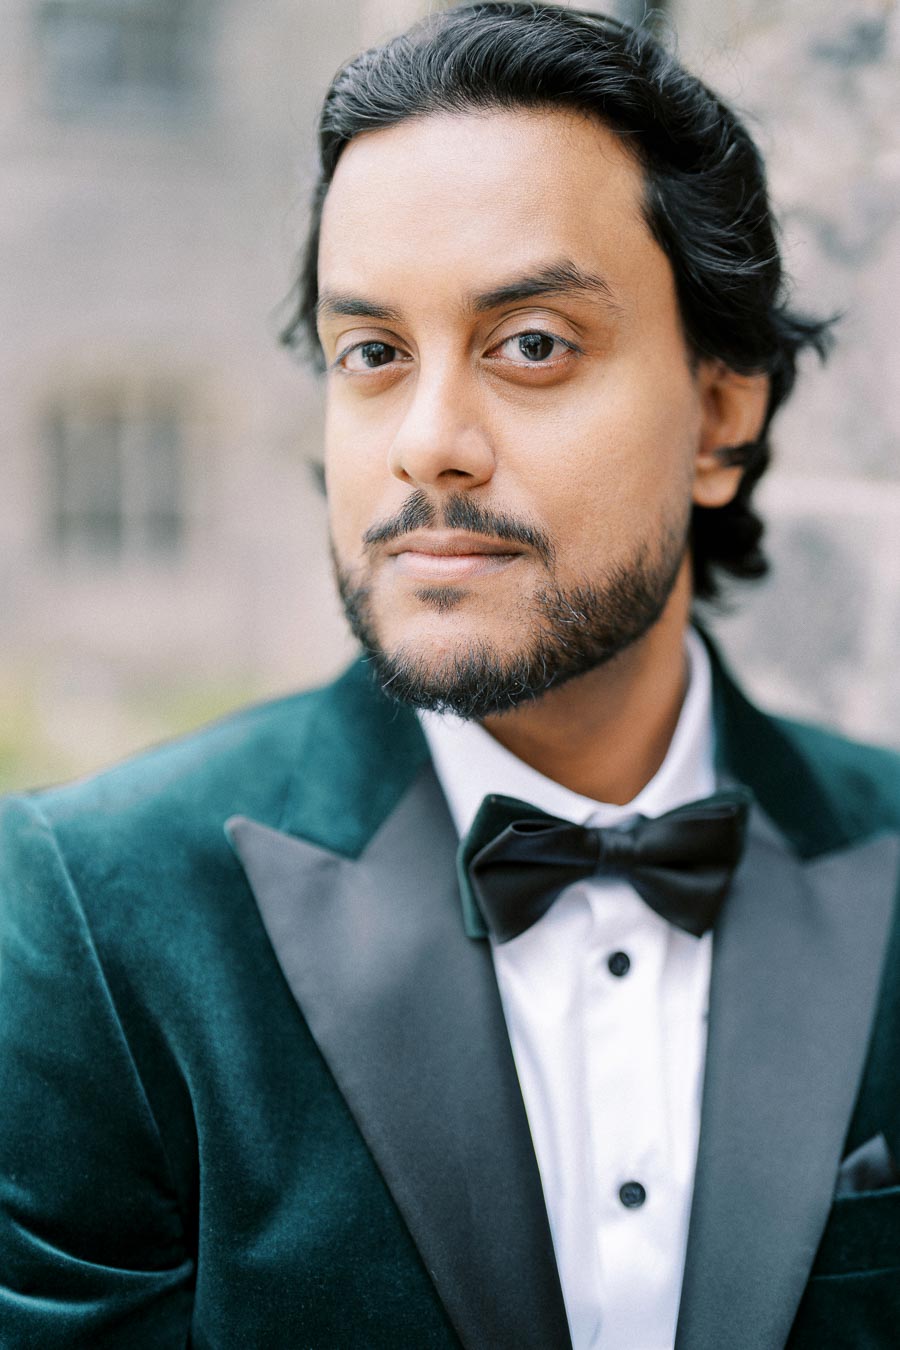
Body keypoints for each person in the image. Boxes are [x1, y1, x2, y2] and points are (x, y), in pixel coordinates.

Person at [1, 4, 898, 1347]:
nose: (426, 445)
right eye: (372, 354)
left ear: (721, 413)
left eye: (530, 343)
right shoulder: (91, 916)